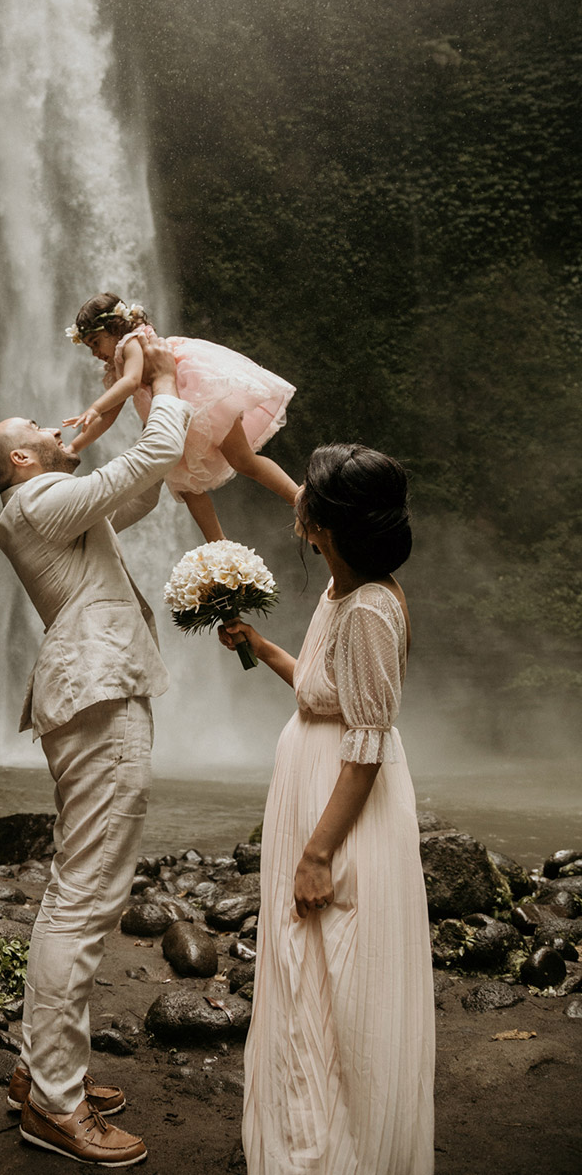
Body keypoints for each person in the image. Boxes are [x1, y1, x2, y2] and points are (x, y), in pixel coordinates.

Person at [0, 333, 192, 1168]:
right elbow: (146, 462)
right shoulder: (34, 504)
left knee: (81, 886)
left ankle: (43, 1075)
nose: (56, 424)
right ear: (24, 458)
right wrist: (162, 382)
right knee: (87, 895)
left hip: (96, 690)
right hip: (97, 691)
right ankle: (57, 1107)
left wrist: (127, 398)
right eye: (40, 426)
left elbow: (143, 491)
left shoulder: (56, 503)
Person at [220, 444, 434, 1175]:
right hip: (316, 792)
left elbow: (366, 746)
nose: (298, 506)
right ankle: (305, 1131)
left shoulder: (371, 607)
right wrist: (263, 646)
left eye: (307, 500)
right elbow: (324, 689)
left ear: (326, 528)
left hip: (343, 812)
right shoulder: (344, 579)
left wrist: (318, 853)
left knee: (336, 973)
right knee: (304, 965)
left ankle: (336, 1152)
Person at [64, 292, 298, 543]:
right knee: (187, 486)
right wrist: (74, 446)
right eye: (89, 347)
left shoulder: (130, 343)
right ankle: (219, 545)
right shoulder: (117, 361)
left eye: (95, 342)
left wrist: (95, 407)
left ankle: (300, 498)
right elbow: (109, 418)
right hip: (174, 420)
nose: (94, 353)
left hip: (199, 399)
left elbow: (132, 382)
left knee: (242, 459)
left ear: (113, 328)